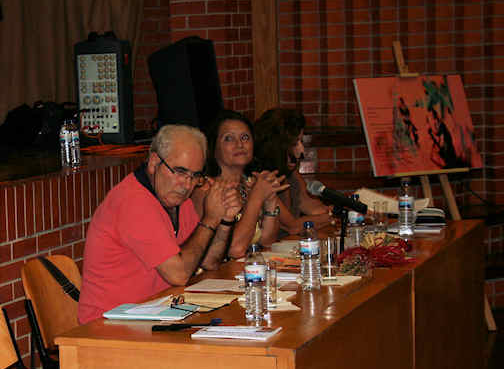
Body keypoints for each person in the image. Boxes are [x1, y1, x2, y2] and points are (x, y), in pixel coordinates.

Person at [78, 124, 240, 324]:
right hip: (107, 326)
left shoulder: (177, 200)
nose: (186, 185)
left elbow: (209, 261)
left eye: (195, 176)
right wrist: (209, 219)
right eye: (179, 172)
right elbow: (179, 275)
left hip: (155, 316)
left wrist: (225, 219)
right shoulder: (133, 201)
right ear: (154, 162)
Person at [192, 110, 288, 258]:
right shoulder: (206, 189)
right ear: (213, 147)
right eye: (229, 138)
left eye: (245, 137)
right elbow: (235, 249)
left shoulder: (249, 182)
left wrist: (270, 201)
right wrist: (257, 197)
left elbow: (267, 241)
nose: (239, 144)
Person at [253, 108, 333, 236]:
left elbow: (313, 207)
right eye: (295, 143)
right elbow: (292, 226)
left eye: (301, 141)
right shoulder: (261, 179)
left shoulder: (290, 172)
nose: (302, 150)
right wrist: (331, 217)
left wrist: (340, 210)